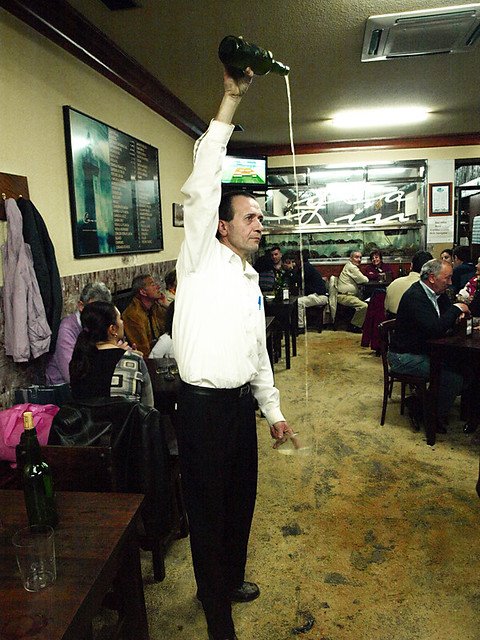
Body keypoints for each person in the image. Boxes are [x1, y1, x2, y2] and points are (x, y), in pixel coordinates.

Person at [172, 65, 293, 640]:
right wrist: (228, 102)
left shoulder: (249, 280)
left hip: (238, 407)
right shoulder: (197, 257)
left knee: (241, 502)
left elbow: (258, 353)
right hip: (198, 410)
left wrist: (272, 411)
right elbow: (201, 181)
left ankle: (232, 578)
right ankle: (215, 611)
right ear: (220, 227)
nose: (259, 224)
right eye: (250, 217)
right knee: (209, 514)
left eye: (261, 218)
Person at [388, 258, 469, 431]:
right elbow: (435, 329)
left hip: (422, 349)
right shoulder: (415, 296)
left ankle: (425, 403)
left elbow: (446, 317)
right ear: (432, 278)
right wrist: (457, 309)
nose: (450, 282)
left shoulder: (437, 294)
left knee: (464, 366)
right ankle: (428, 414)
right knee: (452, 377)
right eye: (447, 278)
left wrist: (455, 314)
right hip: (403, 356)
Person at [70, 301, 154, 407]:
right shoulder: (133, 360)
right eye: (120, 319)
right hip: (125, 422)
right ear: (113, 329)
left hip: (86, 422)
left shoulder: (79, 359)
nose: (123, 322)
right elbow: (148, 406)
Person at [45, 282, 112, 385]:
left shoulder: (102, 322)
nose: (97, 315)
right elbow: (71, 376)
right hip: (64, 390)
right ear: (81, 306)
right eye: (93, 309)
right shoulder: (66, 329)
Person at [122, 274, 169, 357]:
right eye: (153, 285)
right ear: (143, 292)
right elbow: (143, 351)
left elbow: (171, 329)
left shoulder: (156, 306)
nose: (158, 287)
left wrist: (167, 305)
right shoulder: (133, 315)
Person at [384, 250, 433, 316]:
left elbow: (385, 309)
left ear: (411, 265)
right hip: (415, 325)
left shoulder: (393, 283)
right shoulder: (427, 287)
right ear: (431, 269)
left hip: (390, 324)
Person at [336, 250, 369, 332]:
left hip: (347, 295)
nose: (359, 259)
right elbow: (364, 280)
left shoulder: (349, 266)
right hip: (344, 296)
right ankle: (354, 326)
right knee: (364, 306)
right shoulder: (352, 267)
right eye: (356, 257)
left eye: (360, 257)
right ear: (351, 258)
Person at [297, 249, 328, 333]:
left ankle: (300, 327)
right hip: (315, 295)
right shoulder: (306, 267)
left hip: (320, 296)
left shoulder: (306, 268)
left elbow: (298, 281)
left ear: (300, 260)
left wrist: (291, 270)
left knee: (299, 302)